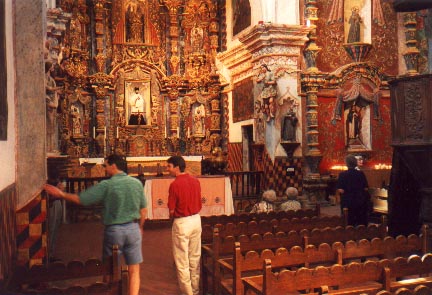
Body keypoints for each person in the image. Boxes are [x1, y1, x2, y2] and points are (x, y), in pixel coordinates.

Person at [43, 154, 147, 295]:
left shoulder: (107, 185)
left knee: (109, 269)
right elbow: (144, 210)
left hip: (114, 231)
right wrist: (140, 227)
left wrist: (61, 194)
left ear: (113, 166)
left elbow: (82, 199)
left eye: (105, 165)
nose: (104, 168)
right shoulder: (136, 183)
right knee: (134, 270)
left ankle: (109, 292)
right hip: (133, 229)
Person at [166, 156, 202, 295]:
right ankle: (195, 290)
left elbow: (171, 210)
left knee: (182, 262)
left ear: (176, 167)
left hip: (182, 223)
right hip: (196, 221)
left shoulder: (175, 185)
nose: (167, 169)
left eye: (168, 166)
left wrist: (172, 218)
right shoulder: (195, 181)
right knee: (194, 258)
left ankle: (188, 293)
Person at [336, 155, 370, 226]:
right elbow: (366, 188)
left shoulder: (342, 175)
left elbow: (340, 190)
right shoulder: (360, 174)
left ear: (346, 163)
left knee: (349, 222)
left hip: (347, 201)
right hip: (360, 201)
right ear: (355, 163)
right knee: (360, 221)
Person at [46, 178, 64, 262]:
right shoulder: (50, 176)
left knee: (54, 229)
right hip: (53, 202)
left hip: (56, 201)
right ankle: (48, 256)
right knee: (52, 229)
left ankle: (50, 255)